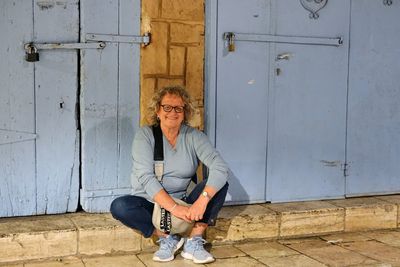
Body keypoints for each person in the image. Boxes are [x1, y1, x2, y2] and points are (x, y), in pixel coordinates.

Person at [110, 86, 230, 264]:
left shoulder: (194, 136)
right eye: (167, 107)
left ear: (184, 112)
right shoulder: (145, 136)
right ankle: (167, 238)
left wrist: (201, 201)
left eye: (178, 108)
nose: (172, 112)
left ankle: (194, 241)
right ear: (157, 110)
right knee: (120, 206)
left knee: (220, 184)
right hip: (153, 204)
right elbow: (146, 177)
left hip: (185, 202)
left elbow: (219, 167)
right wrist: (175, 209)